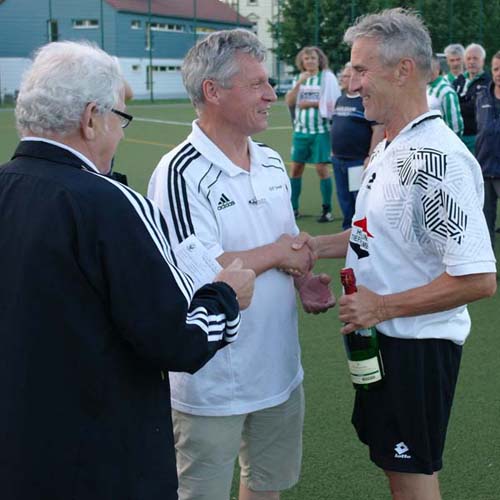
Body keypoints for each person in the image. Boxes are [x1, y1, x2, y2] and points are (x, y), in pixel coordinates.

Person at [0, 40, 257, 500]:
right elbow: (175, 340)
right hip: (98, 456)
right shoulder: (110, 203)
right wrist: (225, 296)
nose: (119, 134)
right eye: (120, 118)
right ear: (90, 118)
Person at [295, 8, 497, 500]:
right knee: (391, 463)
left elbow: (478, 279)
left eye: (361, 69)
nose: (351, 81)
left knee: (412, 477)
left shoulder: (437, 160)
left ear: (403, 69)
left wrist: (381, 306)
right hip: (377, 338)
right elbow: (372, 231)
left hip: (415, 346)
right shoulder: (390, 145)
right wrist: (317, 247)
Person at [148, 29, 335, 500]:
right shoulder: (179, 172)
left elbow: (287, 244)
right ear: (213, 91)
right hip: (212, 384)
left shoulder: (271, 162)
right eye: (256, 84)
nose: (272, 94)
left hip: (279, 371)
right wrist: (277, 254)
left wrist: (302, 279)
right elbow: (201, 273)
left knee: (265, 487)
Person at [285, 46, 341, 222]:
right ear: (302, 61)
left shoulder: (327, 78)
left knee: (321, 168)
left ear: (319, 60)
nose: (309, 61)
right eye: (306, 58)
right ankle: (293, 209)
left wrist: (310, 104)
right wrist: (300, 83)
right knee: (296, 168)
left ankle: (327, 210)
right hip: (301, 131)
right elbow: (290, 101)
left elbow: (332, 102)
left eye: (313, 58)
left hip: (321, 131)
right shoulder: (298, 78)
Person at [330, 62, 385, 230]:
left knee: (358, 200)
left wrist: (370, 155)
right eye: (342, 76)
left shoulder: (364, 101)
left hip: (357, 161)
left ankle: (360, 234)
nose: (343, 79)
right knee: (343, 198)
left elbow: (377, 129)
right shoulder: (340, 99)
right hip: (338, 160)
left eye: (346, 76)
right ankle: (347, 231)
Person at [475, 50, 500, 250]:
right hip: (484, 170)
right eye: (496, 69)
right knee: (485, 223)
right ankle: (489, 269)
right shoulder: (482, 97)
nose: (499, 73)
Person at [453, 43, 491, 153]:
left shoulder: (488, 82)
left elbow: (475, 107)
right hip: (457, 136)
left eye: (475, 58)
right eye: (468, 58)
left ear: (482, 61)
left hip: (475, 137)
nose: (471, 62)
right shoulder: (459, 80)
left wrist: (455, 105)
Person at [427, 54, 464, 136]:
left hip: (441, 143)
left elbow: (456, 127)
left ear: (437, 69)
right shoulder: (426, 88)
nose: (426, 72)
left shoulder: (446, 92)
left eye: (430, 68)